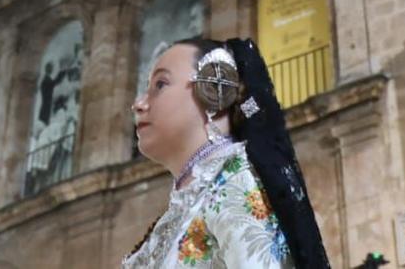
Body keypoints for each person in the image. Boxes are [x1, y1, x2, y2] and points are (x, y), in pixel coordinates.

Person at [124, 36, 330, 269]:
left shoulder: (236, 180)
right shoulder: (184, 206)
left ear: (213, 89)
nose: (139, 104)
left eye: (160, 85)